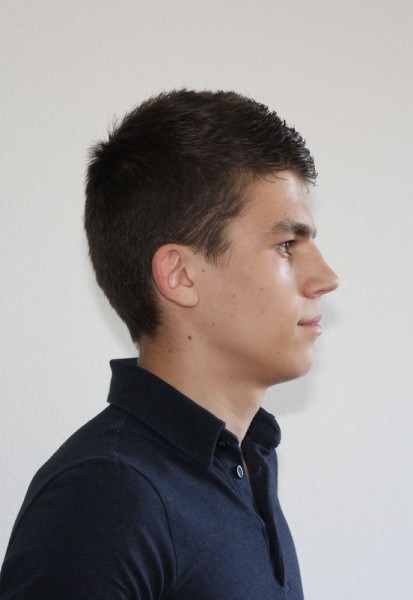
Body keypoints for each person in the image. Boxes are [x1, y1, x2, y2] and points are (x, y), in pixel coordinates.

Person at [0, 89, 339, 599]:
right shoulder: (107, 495)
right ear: (180, 275)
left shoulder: (247, 460)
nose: (326, 278)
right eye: (286, 245)